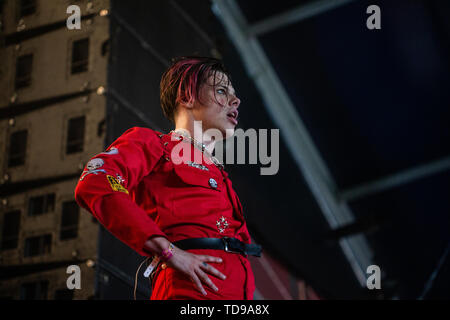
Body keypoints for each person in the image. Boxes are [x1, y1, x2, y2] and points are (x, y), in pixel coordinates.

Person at [74, 56, 262, 300]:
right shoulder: (154, 144)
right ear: (186, 96)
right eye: (221, 90)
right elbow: (95, 181)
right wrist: (168, 251)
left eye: (233, 93)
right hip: (188, 293)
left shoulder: (221, 175)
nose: (236, 100)